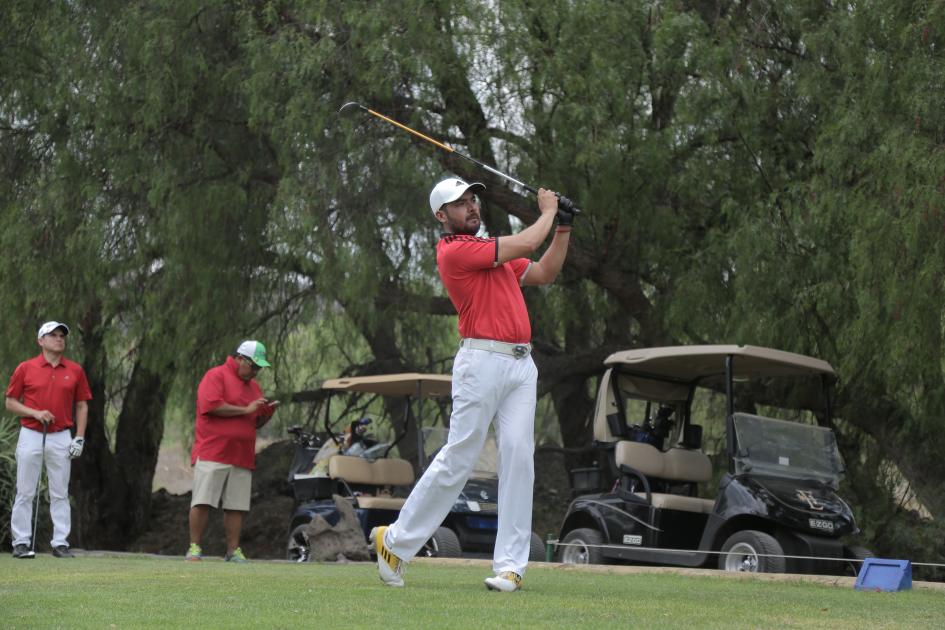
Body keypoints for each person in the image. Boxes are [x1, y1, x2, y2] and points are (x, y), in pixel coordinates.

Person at [371, 177, 574, 591]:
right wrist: (549, 211)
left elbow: (545, 271)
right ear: (442, 216)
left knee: (519, 456)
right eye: (460, 204)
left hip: (521, 364)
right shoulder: (456, 252)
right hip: (480, 363)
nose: (471, 207)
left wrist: (565, 228)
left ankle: (511, 566)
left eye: (472, 200)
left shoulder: (491, 252)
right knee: (460, 457)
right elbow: (526, 243)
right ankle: (394, 542)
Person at [186, 340, 279, 563]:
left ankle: (232, 551)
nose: (256, 371)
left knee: (236, 505)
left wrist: (265, 415)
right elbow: (212, 405)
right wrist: (246, 409)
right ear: (240, 359)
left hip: (241, 454)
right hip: (213, 451)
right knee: (203, 500)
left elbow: (252, 421)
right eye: (253, 366)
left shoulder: (254, 386)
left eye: (259, 368)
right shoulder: (216, 376)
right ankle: (195, 548)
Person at [5, 321, 91, 559]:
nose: (59, 339)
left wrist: (80, 438)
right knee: (25, 490)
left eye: (62, 335)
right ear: (41, 341)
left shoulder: (74, 370)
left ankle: (60, 543)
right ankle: (21, 543)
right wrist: (35, 413)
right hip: (31, 434)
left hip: (62, 436)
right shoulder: (26, 368)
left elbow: (82, 405)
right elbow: (10, 402)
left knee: (60, 492)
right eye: (53, 335)